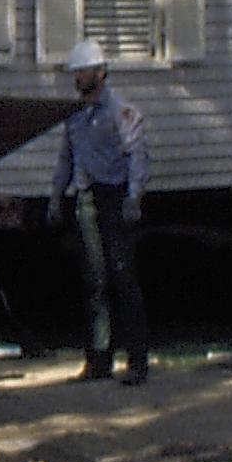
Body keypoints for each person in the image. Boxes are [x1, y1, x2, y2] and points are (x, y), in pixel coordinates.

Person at [44, 37, 150, 386]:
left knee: (123, 278)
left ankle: (136, 361)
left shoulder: (121, 113)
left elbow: (136, 155)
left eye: (82, 72)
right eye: (75, 73)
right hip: (87, 197)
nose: (77, 79)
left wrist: (134, 196)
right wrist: (57, 197)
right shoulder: (75, 116)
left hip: (115, 196)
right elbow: (66, 156)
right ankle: (98, 360)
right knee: (94, 280)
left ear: (100, 73)